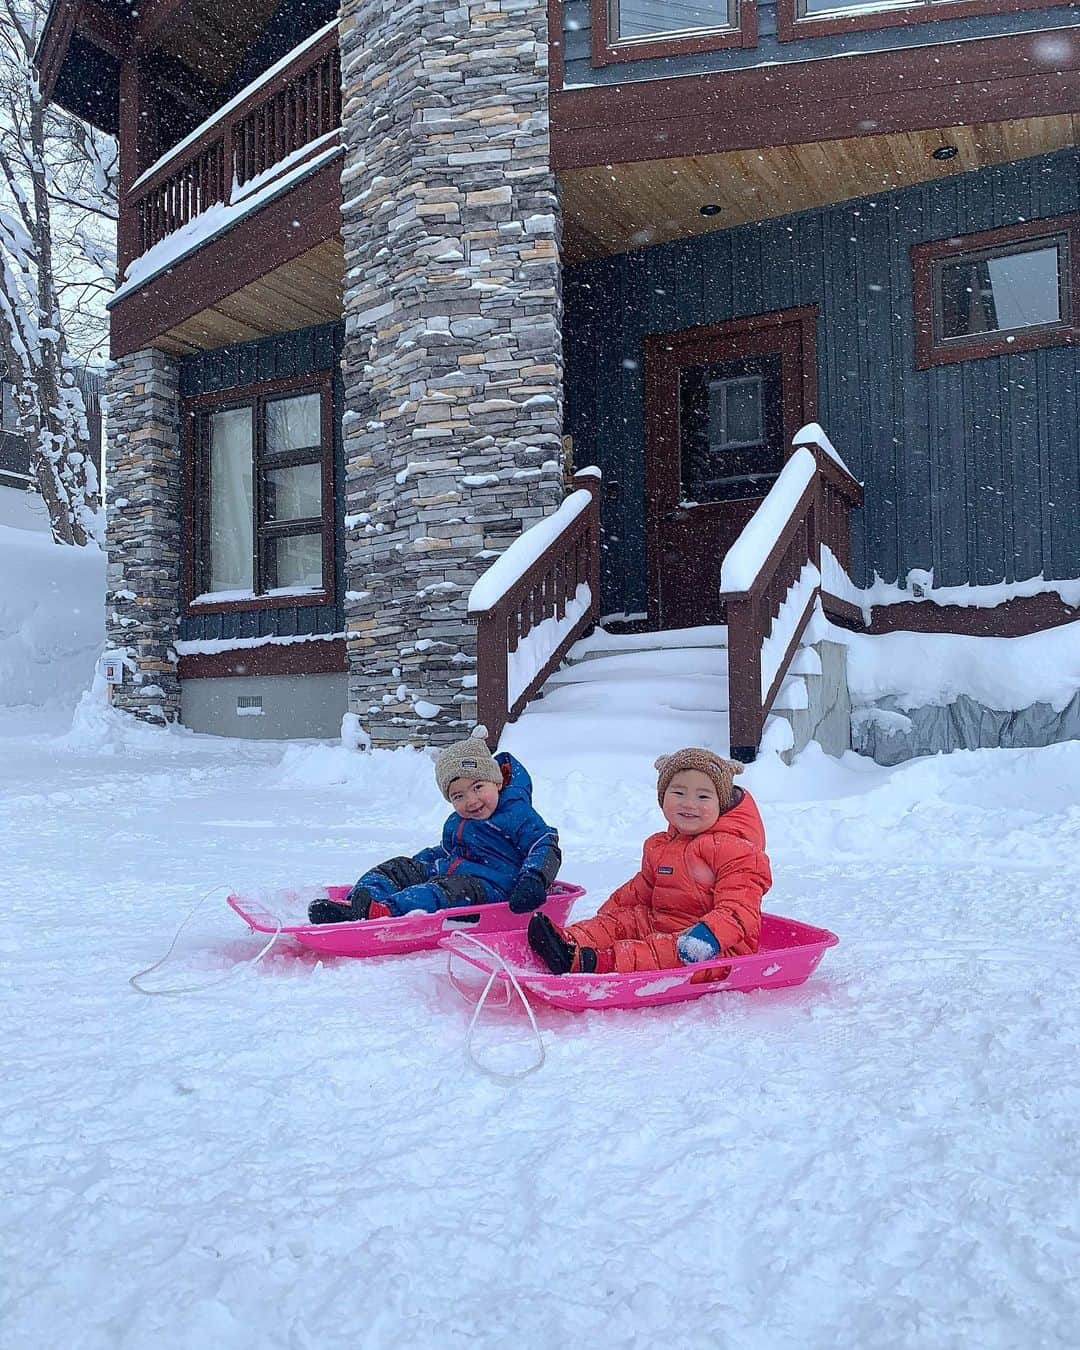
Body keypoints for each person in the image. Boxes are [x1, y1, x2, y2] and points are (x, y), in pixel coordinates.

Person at [528, 748, 770, 974]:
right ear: (662, 798)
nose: (689, 803)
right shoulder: (661, 845)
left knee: (664, 952)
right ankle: (566, 940)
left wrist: (707, 935)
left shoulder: (737, 849)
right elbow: (642, 888)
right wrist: (608, 917)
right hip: (662, 923)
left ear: (722, 803)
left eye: (703, 796)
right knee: (623, 922)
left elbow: (740, 909)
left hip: (715, 947)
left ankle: (590, 962)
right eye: (678, 793)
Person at [307, 738, 561, 924]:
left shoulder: (516, 813)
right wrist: (417, 865)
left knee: (436, 893)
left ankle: (383, 912)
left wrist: (533, 881)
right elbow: (449, 851)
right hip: (453, 873)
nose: (471, 801)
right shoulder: (458, 820)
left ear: (496, 782)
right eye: (458, 795)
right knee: (398, 868)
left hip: (493, 887)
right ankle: (358, 903)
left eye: (478, 787)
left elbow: (544, 845)